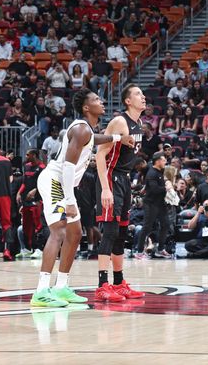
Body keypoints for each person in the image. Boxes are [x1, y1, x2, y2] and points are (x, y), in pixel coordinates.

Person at [31, 88, 135, 307]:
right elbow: (68, 167)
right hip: (56, 182)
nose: (103, 101)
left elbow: (94, 139)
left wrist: (117, 137)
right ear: (86, 107)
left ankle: (61, 287)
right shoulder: (80, 129)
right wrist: (69, 200)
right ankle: (41, 291)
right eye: (97, 99)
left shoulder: (86, 129)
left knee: (75, 233)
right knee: (59, 230)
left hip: (65, 185)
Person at [93, 84, 146, 302]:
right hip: (111, 178)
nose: (143, 97)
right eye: (138, 94)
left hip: (124, 179)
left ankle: (118, 282)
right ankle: (101, 285)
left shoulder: (139, 123)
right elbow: (99, 155)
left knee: (122, 233)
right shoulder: (119, 121)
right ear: (127, 101)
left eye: (142, 94)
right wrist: (105, 188)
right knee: (110, 231)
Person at [134, 152, 173, 260]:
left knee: (165, 224)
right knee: (147, 227)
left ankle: (160, 250)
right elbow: (155, 189)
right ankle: (139, 252)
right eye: (163, 160)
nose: (165, 162)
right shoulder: (152, 174)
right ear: (158, 161)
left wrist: (167, 182)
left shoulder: (157, 169)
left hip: (160, 203)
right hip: (151, 203)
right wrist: (167, 188)